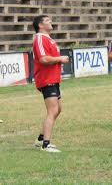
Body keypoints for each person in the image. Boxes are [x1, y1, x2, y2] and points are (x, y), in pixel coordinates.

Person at [32, 15, 69, 153]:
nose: (51, 22)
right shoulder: (40, 38)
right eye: (47, 20)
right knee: (52, 111)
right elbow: (43, 59)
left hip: (53, 79)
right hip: (46, 79)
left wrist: (58, 61)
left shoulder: (48, 39)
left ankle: (41, 139)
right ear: (40, 25)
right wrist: (59, 58)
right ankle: (46, 144)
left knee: (58, 109)